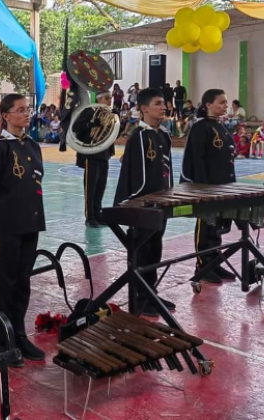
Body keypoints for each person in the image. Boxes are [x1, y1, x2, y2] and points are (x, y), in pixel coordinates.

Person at [0, 92, 45, 367]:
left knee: (24, 280)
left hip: (31, 221)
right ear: (5, 116)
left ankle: (19, 332)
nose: (25, 114)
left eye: (27, 109)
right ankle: (5, 338)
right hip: (7, 225)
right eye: (19, 110)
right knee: (7, 282)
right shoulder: (0, 148)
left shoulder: (32, 145)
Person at [113, 88, 175, 317]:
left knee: (155, 247)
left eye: (164, 103)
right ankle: (140, 297)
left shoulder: (163, 135)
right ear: (144, 108)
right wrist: (138, 201)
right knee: (142, 249)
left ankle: (151, 291)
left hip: (160, 201)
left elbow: (166, 169)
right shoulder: (138, 136)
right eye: (158, 103)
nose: (163, 107)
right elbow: (132, 175)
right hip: (143, 204)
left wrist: (168, 194)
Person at [180, 89, 237, 283]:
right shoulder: (200, 127)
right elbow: (197, 158)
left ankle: (215, 263)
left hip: (223, 185)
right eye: (221, 102)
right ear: (208, 105)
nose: (225, 105)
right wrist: (203, 187)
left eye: (226, 102)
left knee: (217, 228)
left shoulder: (220, 125)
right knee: (206, 227)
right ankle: (203, 265)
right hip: (208, 187)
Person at [74, 91, 116, 227]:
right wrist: (91, 124)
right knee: (90, 188)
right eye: (107, 98)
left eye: (110, 98)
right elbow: (76, 127)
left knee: (100, 187)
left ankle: (98, 214)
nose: (110, 100)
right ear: (99, 99)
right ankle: (89, 216)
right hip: (91, 154)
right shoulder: (89, 112)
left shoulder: (111, 114)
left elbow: (114, 132)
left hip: (104, 154)